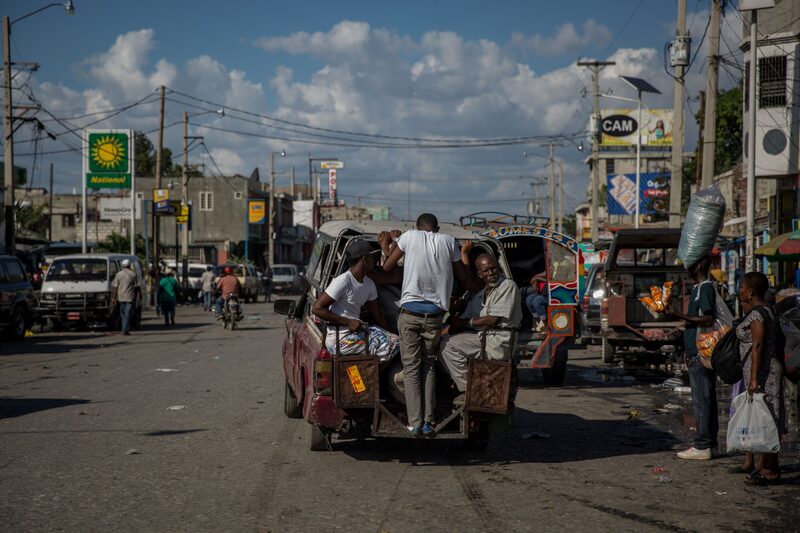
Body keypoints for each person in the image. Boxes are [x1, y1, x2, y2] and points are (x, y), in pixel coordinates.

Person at [381, 213, 480, 437]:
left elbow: (387, 266)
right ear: (435, 228)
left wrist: (392, 243)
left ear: (418, 227)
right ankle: (428, 422)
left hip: (409, 315)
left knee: (411, 368)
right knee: (429, 366)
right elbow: (463, 276)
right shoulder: (448, 241)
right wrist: (463, 255)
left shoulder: (408, 237)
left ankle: (415, 423)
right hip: (435, 317)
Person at [439, 254, 521, 402]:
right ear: (479, 274)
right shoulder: (480, 295)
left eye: (493, 268)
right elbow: (462, 319)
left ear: (499, 268)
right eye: (486, 270)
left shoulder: (508, 286)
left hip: (497, 342)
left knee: (447, 346)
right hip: (483, 339)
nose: (491, 273)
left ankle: (467, 389)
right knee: (441, 343)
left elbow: (492, 319)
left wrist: (465, 323)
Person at [734, 272, 786, 485]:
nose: (739, 292)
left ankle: (770, 470)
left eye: (742, 288)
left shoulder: (758, 315)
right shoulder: (767, 309)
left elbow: (757, 345)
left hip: (764, 374)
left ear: (750, 291)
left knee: (768, 419)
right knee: (767, 420)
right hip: (765, 371)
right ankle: (767, 466)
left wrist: (754, 378)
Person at [312, 240, 394, 357]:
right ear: (365, 259)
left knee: (394, 340)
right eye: (373, 257)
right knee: (393, 345)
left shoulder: (369, 283)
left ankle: (371, 369)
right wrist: (348, 322)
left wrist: (391, 334)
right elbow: (317, 309)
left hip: (355, 334)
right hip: (339, 339)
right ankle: (370, 370)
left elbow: (378, 315)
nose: (376, 261)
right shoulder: (343, 281)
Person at [671, 255, 718, 460]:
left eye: (689, 265)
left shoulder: (705, 288)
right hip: (694, 351)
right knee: (705, 399)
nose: (686, 269)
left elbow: (708, 318)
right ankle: (710, 444)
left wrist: (680, 316)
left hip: (701, 353)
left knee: (702, 400)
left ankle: (703, 445)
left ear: (698, 266)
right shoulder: (698, 289)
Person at [111, 259, 140, 335]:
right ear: (129, 265)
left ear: (122, 266)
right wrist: (139, 296)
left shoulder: (118, 274)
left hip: (121, 297)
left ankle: (125, 330)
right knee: (127, 314)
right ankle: (125, 330)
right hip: (129, 297)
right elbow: (137, 287)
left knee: (123, 314)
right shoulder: (133, 274)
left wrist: (113, 297)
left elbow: (115, 287)